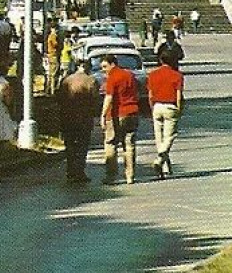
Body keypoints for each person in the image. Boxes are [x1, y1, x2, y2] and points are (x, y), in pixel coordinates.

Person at [55, 60, 101, 183]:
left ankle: (70, 171)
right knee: (82, 145)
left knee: (69, 145)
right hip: (84, 118)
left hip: (67, 117)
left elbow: (59, 98)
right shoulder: (91, 81)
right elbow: (95, 99)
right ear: (88, 68)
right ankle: (80, 171)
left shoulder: (66, 80)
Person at [99, 54, 140, 185]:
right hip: (132, 112)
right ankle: (130, 175)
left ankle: (111, 176)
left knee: (111, 143)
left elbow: (109, 97)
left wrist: (103, 115)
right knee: (129, 145)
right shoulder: (130, 75)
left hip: (116, 114)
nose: (104, 70)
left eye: (105, 66)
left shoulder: (112, 78)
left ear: (113, 64)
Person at [145, 55, 184, 179]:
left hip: (157, 106)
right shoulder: (177, 76)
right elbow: (178, 95)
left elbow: (150, 94)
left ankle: (164, 167)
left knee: (159, 138)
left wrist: (152, 107)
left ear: (161, 61)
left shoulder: (152, 75)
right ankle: (159, 160)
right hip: (170, 106)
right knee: (170, 136)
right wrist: (179, 108)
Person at [44, 22, 62, 93]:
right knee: (53, 74)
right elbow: (55, 44)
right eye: (56, 29)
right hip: (53, 55)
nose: (57, 31)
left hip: (50, 55)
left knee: (51, 74)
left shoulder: (49, 36)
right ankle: (52, 90)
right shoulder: (53, 36)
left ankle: (48, 89)